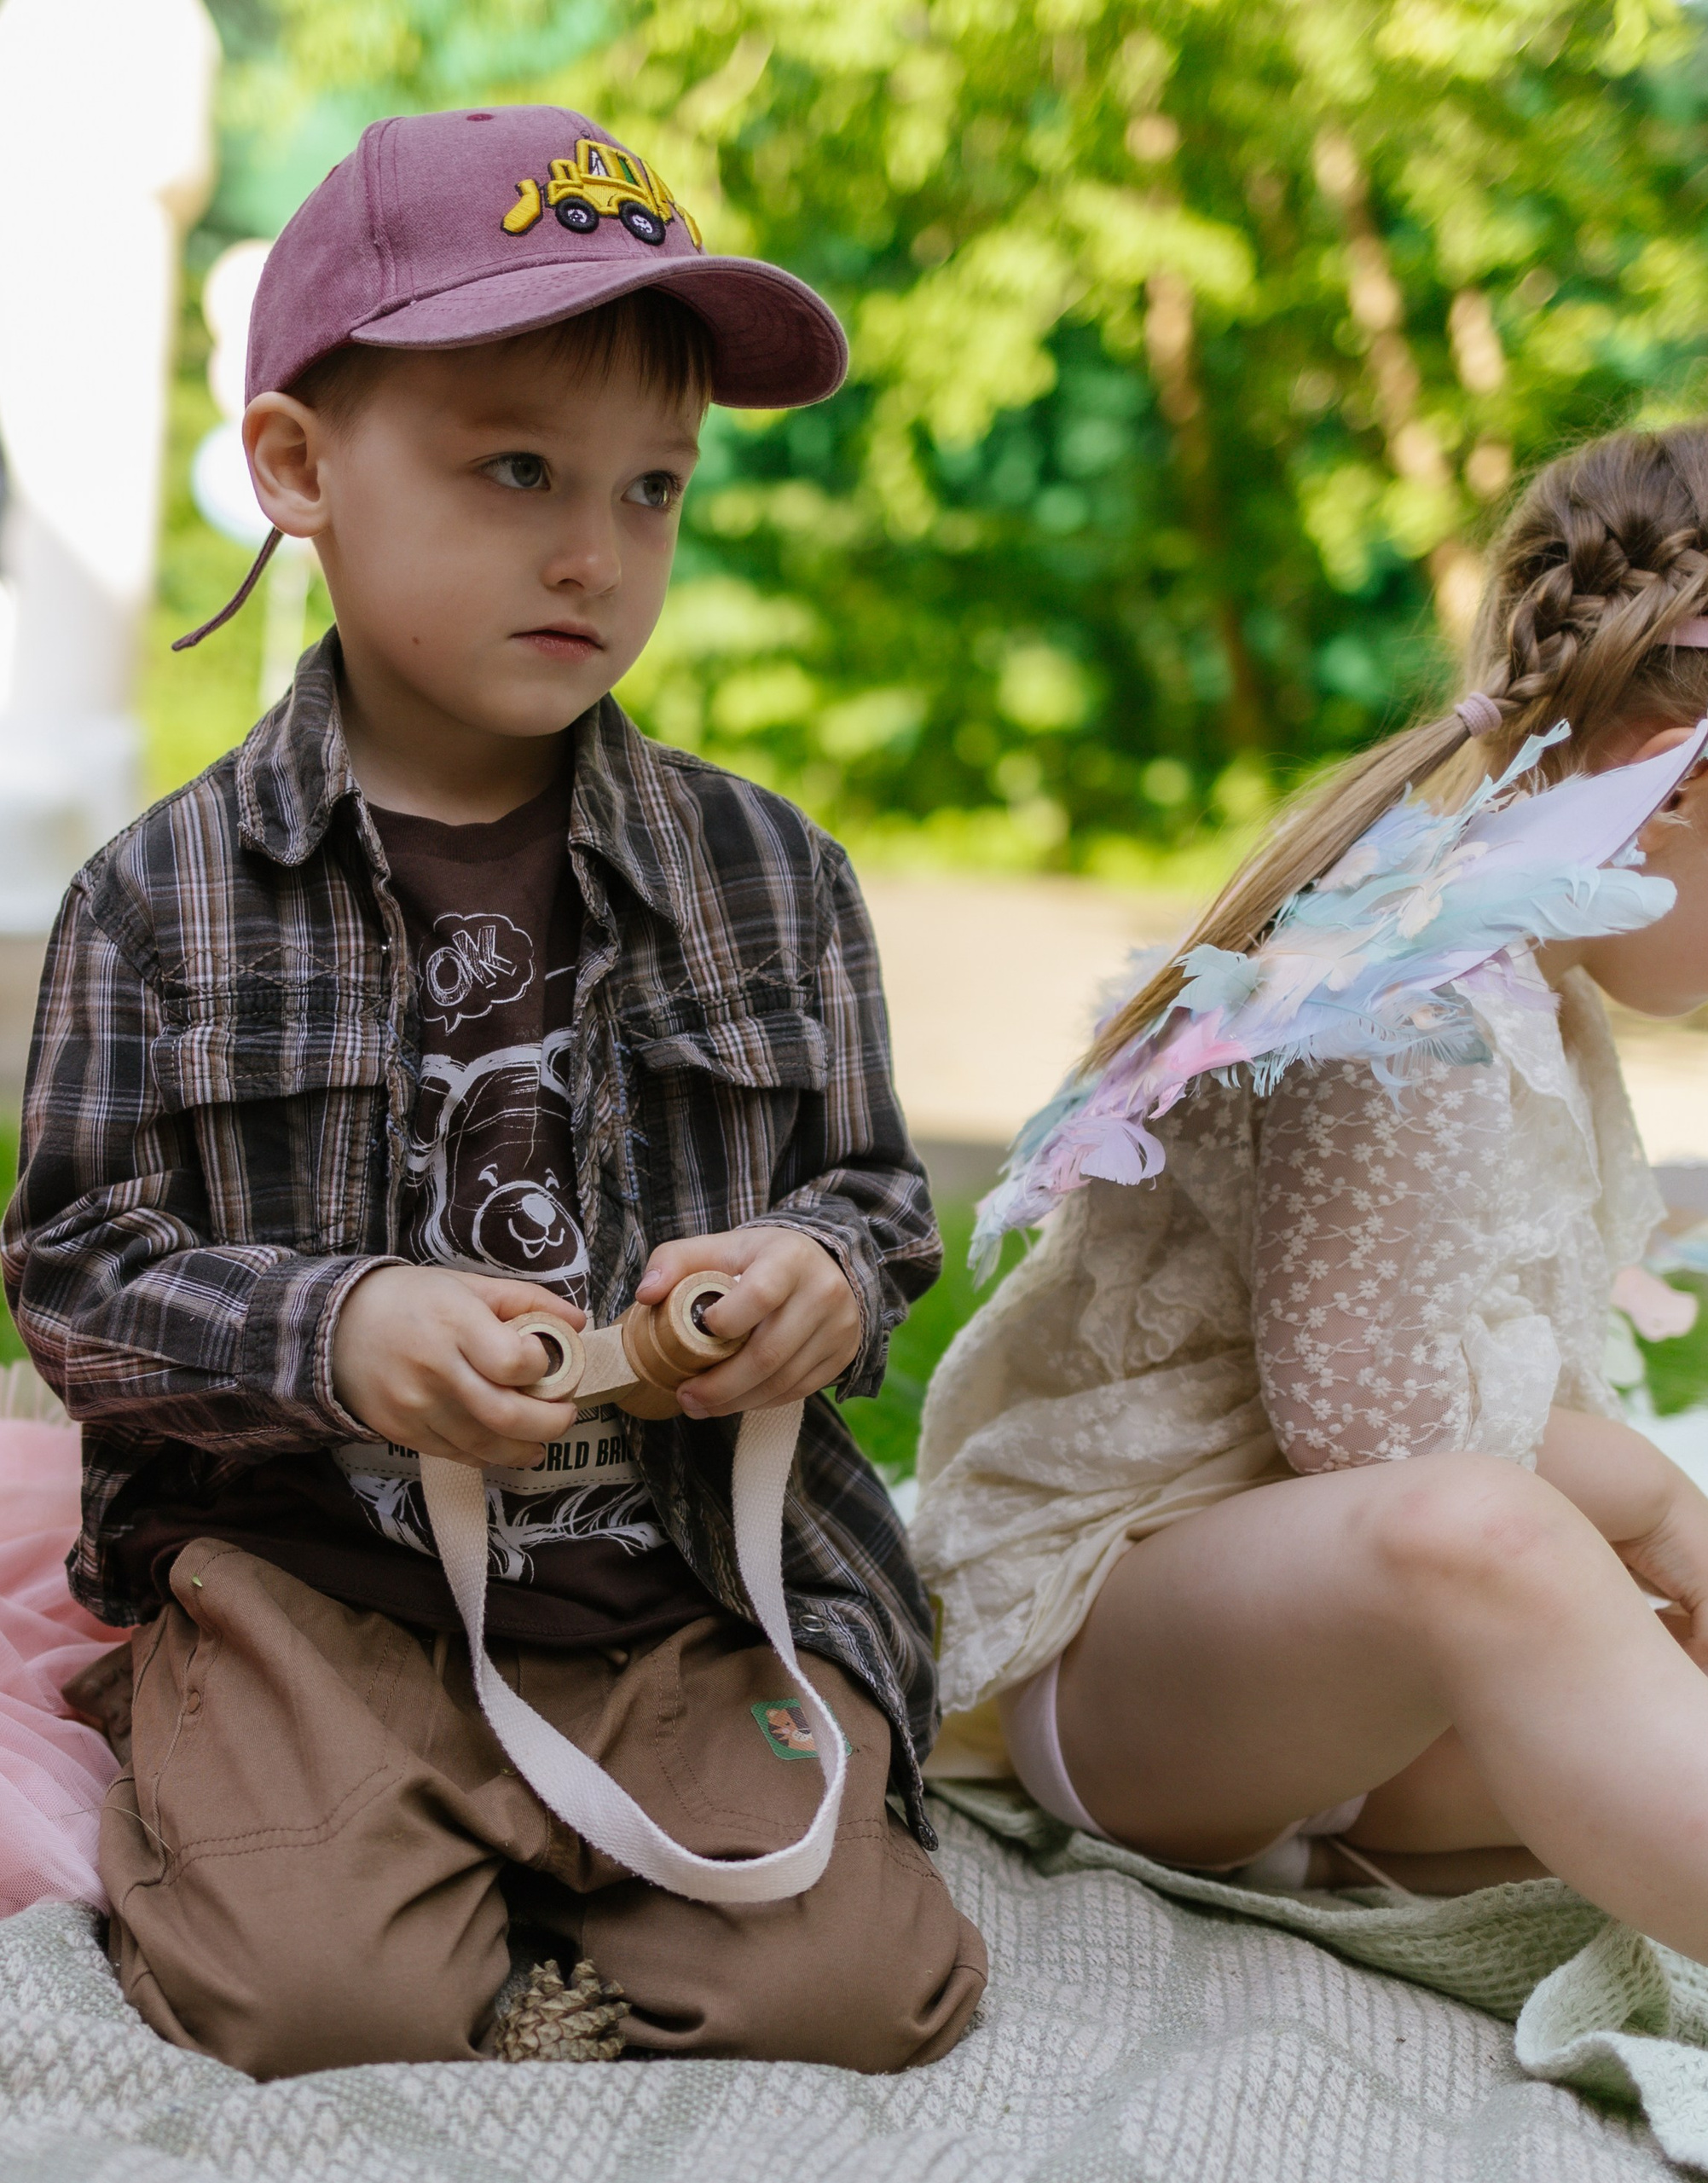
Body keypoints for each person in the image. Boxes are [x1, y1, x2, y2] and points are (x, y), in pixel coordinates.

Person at [1, 105, 983, 2079]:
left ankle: (572, 1858)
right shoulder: (165, 894)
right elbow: (75, 1278)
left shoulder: (767, 872)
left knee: (851, 1994)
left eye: (651, 489)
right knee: (314, 2001)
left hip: (674, 1589)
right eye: (516, 467)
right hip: (318, 1591)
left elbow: (877, 1197)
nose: (592, 550)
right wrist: (339, 1323)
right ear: (298, 466)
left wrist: (807, 1275)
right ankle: (312, 1803)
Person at [912, 422, 1708, 2045]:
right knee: (1491, 1540)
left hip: (1348, 1690)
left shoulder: (1533, 985)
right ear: (1688, 780)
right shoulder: (1412, 1002)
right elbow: (1375, 1439)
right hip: (1135, 1662)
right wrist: (1649, 1497)